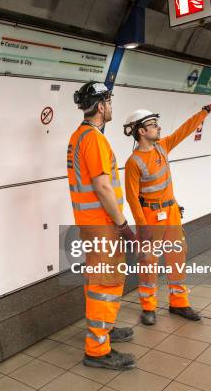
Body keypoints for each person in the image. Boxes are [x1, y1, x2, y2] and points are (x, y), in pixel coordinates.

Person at [123, 97, 211, 325]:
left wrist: (207, 110)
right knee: (149, 262)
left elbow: (185, 130)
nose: (158, 128)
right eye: (152, 125)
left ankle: (179, 303)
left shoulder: (162, 147)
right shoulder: (134, 162)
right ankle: (148, 307)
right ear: (141, 131)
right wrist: (142, 227)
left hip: (171, 213)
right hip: (150, 217)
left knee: (177, 257)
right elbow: (132, 199)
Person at [67, 81, 137, 370]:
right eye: (108, 101)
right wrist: (123, 226)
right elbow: (102, 186)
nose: (111, 106)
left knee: (96, 283)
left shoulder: (77, 136)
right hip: (104, 226)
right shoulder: (94, 139)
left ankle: (103, 331)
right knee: (105, 285)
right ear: (99, 106)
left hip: (90, 225)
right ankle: (97, 349)